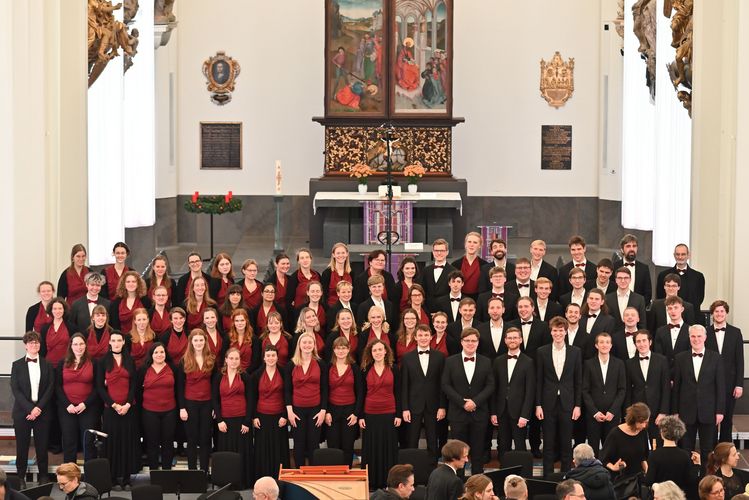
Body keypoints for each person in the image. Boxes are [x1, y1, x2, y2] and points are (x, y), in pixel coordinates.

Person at [442, 328, 494, 475]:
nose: (470, 343)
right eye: (467, 340)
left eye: (473, 341)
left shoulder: (486, 362)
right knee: (457, 453)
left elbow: (491, 385)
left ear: (478, 343)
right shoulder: (450, 361)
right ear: (461, 342)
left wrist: (475, 402)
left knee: (478, 452)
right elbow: (445, 384)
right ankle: (457, 485)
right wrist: (462, 402)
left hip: (479, 414)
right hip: (458, 414)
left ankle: (478, 484)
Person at [536, 316, 582, 476]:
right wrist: (538, 405)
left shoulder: (575, 352)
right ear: (551, 331)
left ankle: (566, 476)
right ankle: (547, 477)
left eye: (561, 330)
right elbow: (539, 380)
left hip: (568, 404)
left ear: (566, 331)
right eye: (555, 330)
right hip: (547, 403)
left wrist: (578, 405)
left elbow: (578, 381)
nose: (558, 333)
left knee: (565, 442)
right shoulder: (542, 352)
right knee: (548, 443)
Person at [673, 325, 725, 464]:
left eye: (699, 336)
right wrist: (675, 411)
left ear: (705, 338)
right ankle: (687, 480)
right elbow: (676, 388)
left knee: (708, 449)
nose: (696, 339)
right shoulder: (680, 358)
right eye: (693, 336)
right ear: (689, 338)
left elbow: (720, 387)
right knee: (685, 448)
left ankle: (706, 481)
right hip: (685, 410)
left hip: (708, 410)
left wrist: (720, 411)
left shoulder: (716, 358)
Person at [11, 331, 54, 489]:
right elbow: (15, 390)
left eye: (36, 342)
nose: (34, 345)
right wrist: (30, 409)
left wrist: (38, 408)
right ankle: (20, 477)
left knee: (42, 446)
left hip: (42, 412)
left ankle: (43, 476)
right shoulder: (17, 365)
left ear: (40, 345)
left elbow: (50, 388)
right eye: (30, 343)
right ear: (25, 345)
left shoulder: (47, 364)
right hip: (23, 413)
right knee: (21, 446)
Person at [96, 331, 138, 490]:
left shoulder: (130, 360)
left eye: (119, 340)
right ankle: (113, 478)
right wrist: (114, 405)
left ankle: (127, 478)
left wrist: (127, 404)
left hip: (128, 409)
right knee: (111, 443)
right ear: (109, 343)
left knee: (127, 442)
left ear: (123, 342)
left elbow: (134, 385)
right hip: (110, 409)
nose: (116, 343)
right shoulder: (102, 362)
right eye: (113, 340)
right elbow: (100, 387)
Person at [360, 339, 401, 489]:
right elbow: (361, 394)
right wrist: (361, 416)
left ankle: (388, 482)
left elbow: (398, 392)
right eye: (374, 350)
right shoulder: (365, 369)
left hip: (389, 412)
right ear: (371, 353)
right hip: (370, 413)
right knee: (371, 448)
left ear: (386, 351)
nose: (377, 352)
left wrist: (398, 414)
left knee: (388, 448)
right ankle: (371, 482)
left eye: (380, 349)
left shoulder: (394, 368)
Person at [401, 324, 446, 458]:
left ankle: (432, 467)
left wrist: (442, 406)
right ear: (415, 337)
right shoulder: (407, 358)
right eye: (420, 335)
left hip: (433, 404)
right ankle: (411, 468)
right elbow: (404, 385)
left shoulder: (440, 357)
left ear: (431, 337)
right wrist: (405, 408)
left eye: (426, 335)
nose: (423, 338)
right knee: (412, 439)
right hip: (413, 405)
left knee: (433, 439)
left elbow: (442, 384)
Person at [56, 333, 100, 463]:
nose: (78, 347)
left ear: (85, 345)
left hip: (88, 408)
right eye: (75, 344)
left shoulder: (94, 363)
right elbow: (57, 387)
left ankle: (90, 478)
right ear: (71, 346)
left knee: (88, 442)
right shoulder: (62, 363)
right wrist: (67, 405)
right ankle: (70, 477)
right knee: (69, 442)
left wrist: (85, 404)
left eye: (81, 344)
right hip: (67, 409)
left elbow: (98, 388)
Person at [285, 331, 328, 467]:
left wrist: (323, 411)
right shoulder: (291, 364)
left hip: (316, 409)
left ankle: (313, 474)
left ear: (314, 345)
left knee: (313, 443)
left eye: (310, 342)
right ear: (299, 345)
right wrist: (289, 411)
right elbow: (287, 390)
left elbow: (325, 389)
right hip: (297, 410)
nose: (307, 345)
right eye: (304, 342)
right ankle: (299, 473)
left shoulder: (321, 363)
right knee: (299, 443)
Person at [490, 327, 535, 456]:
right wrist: (493, 412)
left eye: (515, 337)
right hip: (501, 410)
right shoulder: (498, 361)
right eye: (509, 338)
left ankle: (522, 474)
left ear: (520, 340)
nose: (512, 340)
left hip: (519, 412)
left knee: (520, 445)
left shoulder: (528, 362)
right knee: (503, 444)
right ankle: (504, 471)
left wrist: (525, 415)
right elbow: (494, 389)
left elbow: (530, 391)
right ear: (505, 340)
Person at [705, 300, 744, 444]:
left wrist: (739, 384)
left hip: (730, 383)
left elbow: (740, 361)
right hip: (710, 384)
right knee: (711, 419)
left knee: (727, 418)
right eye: (716, 311)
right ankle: (712, 450)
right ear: (712, 314)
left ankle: (726, 450)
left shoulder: (736, 332)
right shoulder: (706, 332)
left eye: (722, 311)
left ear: (726, 313)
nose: (719, 314)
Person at [212, 347, 252, 488]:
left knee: (241, 452)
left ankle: (241, 482)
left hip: (241, 420)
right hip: (225, 421)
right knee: (227, 452)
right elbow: (215, 400)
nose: (234, 361)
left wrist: (247, 422)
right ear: (226, 360)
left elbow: (250, 400)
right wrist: (220, 420)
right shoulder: (218, 377)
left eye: (237, 358)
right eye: (231, 358)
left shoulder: (245, 376)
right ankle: (226, 482)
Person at [177, 329, 216, 472]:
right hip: (190, 403)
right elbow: (180, 386)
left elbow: (214, 385)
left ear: (205, 341)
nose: (199, 343)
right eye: (196, 340)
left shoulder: (211, 358)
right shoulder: (184, 360)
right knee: (192, 440)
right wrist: (182, 407)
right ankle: (192, 472)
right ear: (191, 342)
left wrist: (214, 407)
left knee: (205, 439)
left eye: (201, 340)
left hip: (207, 403)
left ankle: (205, 471)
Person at [582, 332, 626, 456]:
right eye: (601, 342)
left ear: (611, 345)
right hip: (593, 415)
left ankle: (610, 474)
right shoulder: (589, 364)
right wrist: (594, 412)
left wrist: (613, 411)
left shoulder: (619, 364)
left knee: (611, 449)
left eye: (607, 342)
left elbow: (622, 390)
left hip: (612, 414)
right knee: (593, 449)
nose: (604, 345)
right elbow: (585, 390)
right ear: (596, 345)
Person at [625, 330, 670, 445]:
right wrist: (630, 413)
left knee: (658, 444)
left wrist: (663, 412)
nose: (641, 344)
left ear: (650, 342)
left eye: (644, 340)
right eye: (638, 341)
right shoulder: (629, 363)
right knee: (637, 445)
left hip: (657, 412)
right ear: (635, 344)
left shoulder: (662, 360)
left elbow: (666, 388)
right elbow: (628, 390)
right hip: (637, 412)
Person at [138, 342, 177, 470]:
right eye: (156, 352)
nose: (159, 355)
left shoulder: (173, 368)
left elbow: (179, 389)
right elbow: (138, 391)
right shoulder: (144, 369)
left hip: (169, 411)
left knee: (168, 443)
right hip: (149, 412)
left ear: (166, 354)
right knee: (152, 443)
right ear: (151, 354)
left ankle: (166, 472)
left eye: (162, 352)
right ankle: (154, 472)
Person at [325, 337, 362, 467]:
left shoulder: (355, 368)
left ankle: (347, 474)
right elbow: (325, 391)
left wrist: (356, 414)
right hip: (332, 411)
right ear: (334, 350)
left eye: (344, 348)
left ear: (348, 349)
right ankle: (334, 476)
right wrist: (327, 412)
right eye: (338, 348)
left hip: (350, 411)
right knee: (333, 445)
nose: (341, 351)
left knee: (348, 445)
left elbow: (360, 392)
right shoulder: (328, 367)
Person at [646, 415, 700, 498]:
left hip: (661, 496)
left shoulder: (654, 455)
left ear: (662, 433)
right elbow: (690, 481)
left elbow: (649, 481)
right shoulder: (684, 455)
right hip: (678, 496)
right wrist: (696, 465)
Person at [600, 403, 650, 480]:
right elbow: (604, 459)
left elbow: (643, 455)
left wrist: (645, 467)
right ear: (633, 420)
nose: (644, 425)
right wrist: (613, 467)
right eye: (641, 422)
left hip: (637, 478)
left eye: (646, 422)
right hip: (620, 480)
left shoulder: (643, 432)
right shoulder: (615, 434)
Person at [655, 243, 705, 312]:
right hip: (669, 314)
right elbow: (660, 296)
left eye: (683, 254)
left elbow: (699, 299)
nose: (680, 257)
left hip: (691, 316)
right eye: (677, 254)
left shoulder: (698, 277)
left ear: (688, 255)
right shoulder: (663, 275)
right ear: (674, 255)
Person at [612, 234, 653, 303]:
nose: (631, 249)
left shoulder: (644, 268)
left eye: (634, 246)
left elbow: (648, 293)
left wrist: (639, 307)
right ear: (622, 249)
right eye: (628, 246)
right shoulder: (614, 266)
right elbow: (611, 289)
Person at [654, 295, 692, 368]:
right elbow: (658, 355)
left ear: (682, 309)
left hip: (684, 373)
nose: (673, 311)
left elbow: (690, 355)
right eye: (670, 308)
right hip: (665, 373)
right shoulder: (660, 331)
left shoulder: (690, 330)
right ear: (667, 310)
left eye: (676, 307)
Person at [420, 239, 456, 311]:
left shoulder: (454, 271)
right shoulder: (426, 271)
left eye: (442, 251)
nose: (439, 253)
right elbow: (422, 291)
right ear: (433, 252)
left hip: (445, 311)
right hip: (428, 310)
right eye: (436, 251)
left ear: (447, 252)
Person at [451, 232, 488, 299]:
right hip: (460, 299)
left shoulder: (485, 265)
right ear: (465, 244)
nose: (471, 245)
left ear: (480, 245)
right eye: (469, 242)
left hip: (478, 300)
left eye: (475, 242)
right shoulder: (455, 265)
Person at [39, 297, 75, 366]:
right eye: (55, 309)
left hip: (66, 365)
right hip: (48, 365)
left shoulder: (72, 328)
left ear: (64, 310)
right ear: (51, 310)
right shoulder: (44, 329)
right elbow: (42, 350)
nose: (57, 311)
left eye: (60, 308)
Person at [320, 242, 353, 307]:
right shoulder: (327, 273)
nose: (341, 255)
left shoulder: (352, 272)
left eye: (343, 253)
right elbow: (324, 295)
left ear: (347, 254)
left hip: (348, 309)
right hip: (331, 308)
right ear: (333, 255)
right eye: (338, 253)